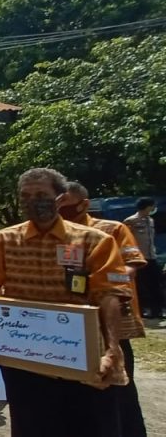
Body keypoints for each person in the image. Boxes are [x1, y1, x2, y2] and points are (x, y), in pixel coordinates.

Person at [0, 168, 131, 437]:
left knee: (90, 425)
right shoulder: (5, 240)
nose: (33, 200)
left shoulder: (94, 241)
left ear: (60, 198)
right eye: (26, 196)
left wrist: (112, 348)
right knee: (31, 424)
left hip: (84, 357)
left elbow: (109, 294)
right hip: (25, 357)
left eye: (42, 194)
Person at [60, 182, 148, 437]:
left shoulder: (112, 229)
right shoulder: (63, 234)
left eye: (66, 208)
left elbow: (132, 263)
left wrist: (106, 280)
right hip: (76, 319)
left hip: (110, 319)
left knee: (116, 387)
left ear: (84, 204)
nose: (61, 213)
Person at [125, 197, 161, 318]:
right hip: (140, 258)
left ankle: (157, 311)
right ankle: (141, 311)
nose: (153, 208)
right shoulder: (131, 221)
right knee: (141, 286)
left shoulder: (150, 220)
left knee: (155, 284)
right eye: (152, 206)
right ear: (147, 206)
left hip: (151, 256)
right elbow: (127, 241)